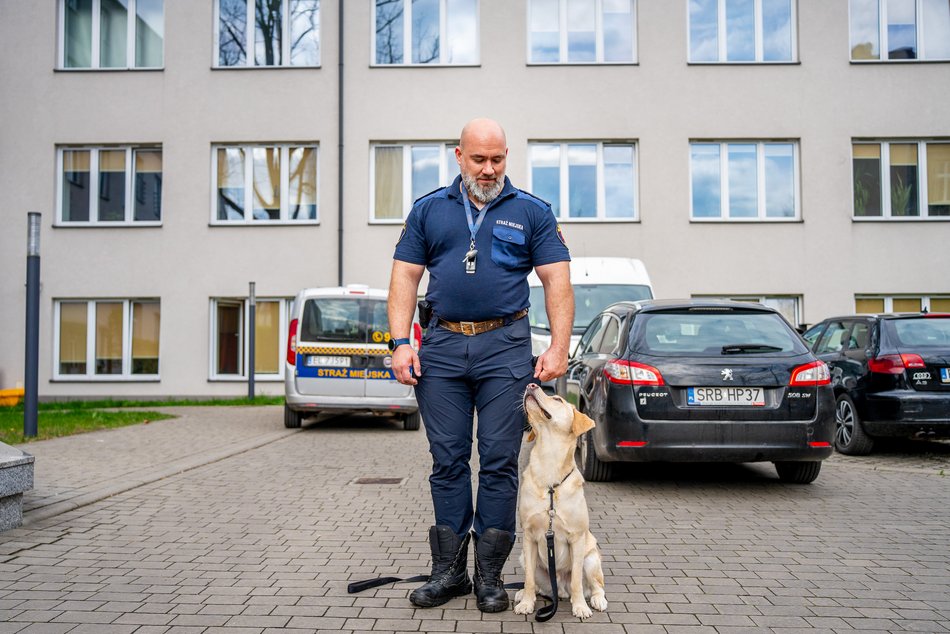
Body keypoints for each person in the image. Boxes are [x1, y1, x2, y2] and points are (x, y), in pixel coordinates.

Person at [387, 117, 574, 612]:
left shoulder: (533, 212)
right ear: (458, 156)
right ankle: (448, 572)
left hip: (506, 350)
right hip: (442, 349)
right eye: (479, 159)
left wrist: (557, 346)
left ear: (506, 156)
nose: (489, 169)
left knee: (497, 461)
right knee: (447, 460)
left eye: (497, 159)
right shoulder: (428, 210)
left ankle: (488, 576)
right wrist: (399, 342)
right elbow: (405, 276)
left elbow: (557, 280)